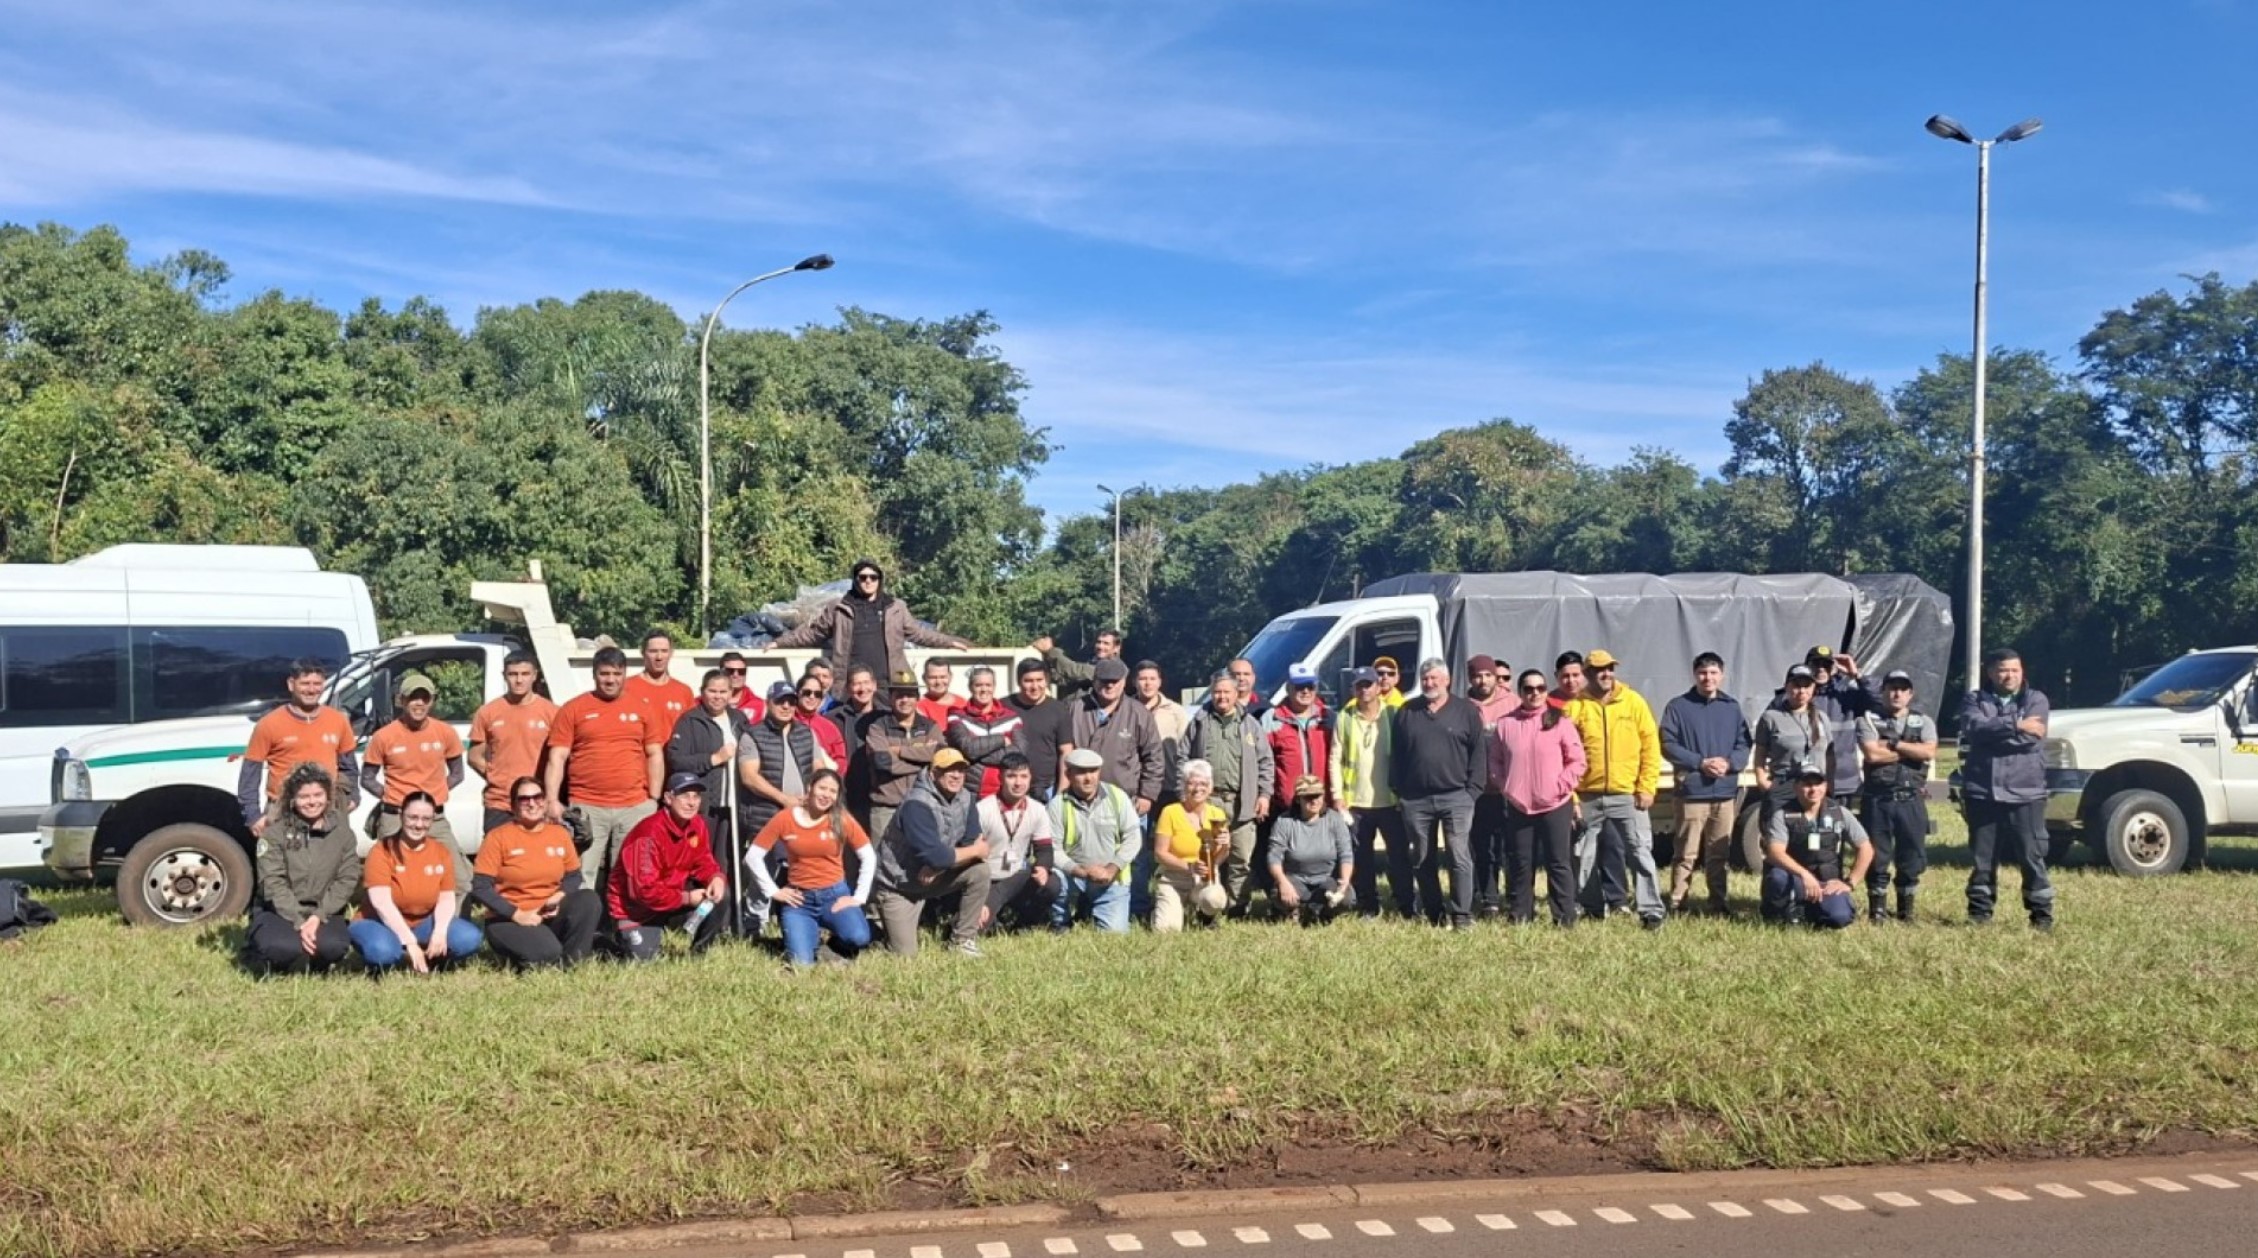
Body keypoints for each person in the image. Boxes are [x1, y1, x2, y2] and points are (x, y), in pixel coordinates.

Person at [545, 646, 665, 885]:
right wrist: (551, 800)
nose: (610, 680)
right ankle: (586, 922)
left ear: (625, 674)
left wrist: (654, 799)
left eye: (616, 674)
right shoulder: (573, 708)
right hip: (588, 806)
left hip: (634, 807)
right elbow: (557, 757)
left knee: (628, 873)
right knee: (582, 873)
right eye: (604, 673)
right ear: (594, 674)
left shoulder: (642, 707)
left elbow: (655, 754)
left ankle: (623, 922)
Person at [1565, 648, 1666, 930]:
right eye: (1599, 670)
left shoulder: (1633, 703)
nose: (1606, 674)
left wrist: (1647, 787)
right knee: (1583, 855)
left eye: (1609, 668)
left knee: (1639, 852)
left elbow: (1650, 746)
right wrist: (1572, 796)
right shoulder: (1575, 707)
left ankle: (1651, 911)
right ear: (1587, 674)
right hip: (1587, 795)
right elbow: (1564, 755)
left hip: (1628, 794)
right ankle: (1592, 906)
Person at [1959, 647, 2055, 930]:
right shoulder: (1974, 699)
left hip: (2026, 793)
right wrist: (2016, 724)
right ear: (1990, 673)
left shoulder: (2036, 699)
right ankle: (1979, 915)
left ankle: (2041, 917)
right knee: (1983, 860)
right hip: (1983, 792)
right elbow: (1974, 729)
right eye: (2003, 670)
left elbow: (2031, 739)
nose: (2009, 675)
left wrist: (1995, 733)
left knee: (2031, 856)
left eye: (2015, 669)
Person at [773, 559, 971, 693]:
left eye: (873, 577)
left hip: (889, 684)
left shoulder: (895, 607)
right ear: (855, 580)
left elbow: (919, 634)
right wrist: (779, 643)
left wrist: (950, 642)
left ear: (880, 580)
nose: (868, 581)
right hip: (852, 686)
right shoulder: (839, 607)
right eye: (862, 577)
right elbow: (813, 634)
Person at [1391, 657, 1488, 929]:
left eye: (1434, 678)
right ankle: (1434, 914)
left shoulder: (1466, 711)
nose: (1429, 683)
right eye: (1425, 678)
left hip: (1457, 796)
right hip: (1416, 800)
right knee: (1422, 858)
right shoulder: (1407, 712)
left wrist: (1472, 792)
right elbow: (1396, 755)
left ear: (1446, 680)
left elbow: (1478, 754)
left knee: (1459, 856)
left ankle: (1461, 916)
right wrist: (1400, 792)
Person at [744, 766, 875, 966]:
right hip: (799, 900)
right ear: (809, 788)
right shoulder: (786, 818)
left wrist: (858, 897)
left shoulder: (841, 819)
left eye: (833, 791)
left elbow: (868, 856)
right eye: (822, 788)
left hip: (834, 895)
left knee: (858, 937)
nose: (827, 795)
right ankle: (804, 939)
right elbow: (753, 856)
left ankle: (830, 946)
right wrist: (773, 891)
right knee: (801, 965)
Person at [471, 775, 603, 969]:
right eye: (524, 799)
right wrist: (516, 914)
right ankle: (538, 953)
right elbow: (480, 887)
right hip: (509, 919)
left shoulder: (559, 834)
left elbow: (574, 876)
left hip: (548, 913)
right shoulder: (498, 837)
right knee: (546, 954)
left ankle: (572, 963)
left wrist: (560, 895)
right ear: (513, 805)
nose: (532, 804)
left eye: (537, 797)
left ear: (544, 801)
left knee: (588, 899)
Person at [871, 748, 993, 957]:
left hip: (932, 876)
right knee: (905, 957)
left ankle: (962, 941)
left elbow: (970, 841)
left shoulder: (966, 798)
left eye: (961, 770)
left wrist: (940, 866)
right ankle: (876, 935)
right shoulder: (916, 804)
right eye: (948, 770)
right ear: (932, 773)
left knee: (980, 871)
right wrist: (971, 851)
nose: (956, 775)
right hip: (898, 886)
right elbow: (948, 853)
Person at [664, 669, 759, 935]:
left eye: (723, 692)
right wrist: (713, 759)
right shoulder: (690, 721)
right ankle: (691, 922)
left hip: (733, 807)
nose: (717, 697)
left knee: (726, 864)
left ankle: (724, 921)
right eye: (712, 691)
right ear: (703, 692)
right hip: (705, 808)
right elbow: (677, 760)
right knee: (698, 866)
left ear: (731, 694)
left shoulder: (739, 721)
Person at [1658, 652, 1753, 916]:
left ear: (1721, 675)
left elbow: (1744, 743)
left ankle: (1718, 904)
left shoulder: (1731, 708)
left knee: (1719, 854)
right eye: (1702, 672)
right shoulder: (1678, 707)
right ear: (1694, 675)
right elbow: (1668, 744)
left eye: (1713, 672)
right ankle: (1678, 903)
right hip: (1692, 792)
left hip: (1724, 792)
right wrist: (1700, 762)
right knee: (1685, 853)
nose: (1707, 677)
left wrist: (1730, 763)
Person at [1491, 669, 1587, 927]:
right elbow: (1495, 762)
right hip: (1519, 805)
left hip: (1555, 804)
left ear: (1546, 691)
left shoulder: (1560, 722)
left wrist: (1560, 786)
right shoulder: (1505, 724)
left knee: (1559, 862)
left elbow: (1577, 761)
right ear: (1520, 692)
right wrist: (1507, 788)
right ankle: (1521, 915)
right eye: (1529, 689)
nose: (1535, 693)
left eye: (1540, 688)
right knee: (1521, 863)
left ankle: (1564, 917)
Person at [245, 763, 359, 974]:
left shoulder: (343, 834)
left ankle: (320, 965)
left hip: (322, 910)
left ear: (328, 797)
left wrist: (318, 917)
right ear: (292, 799)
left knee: (333, 946)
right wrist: (299, 921)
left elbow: (347, 879)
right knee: (281, 947)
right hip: (280, 910)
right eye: (304, 797)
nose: (312, 802)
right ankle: (274, 962)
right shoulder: (275, 834)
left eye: (318, 795)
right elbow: (272, 882)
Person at [359, 673, 467, 894]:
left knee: (461, 880)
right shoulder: (384, 736)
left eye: (424, 698)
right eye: (412, 698)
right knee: (392, 880)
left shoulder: (445, 732)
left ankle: (450, 926)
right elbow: (367, 778)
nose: (419, 703)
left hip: (434, 817)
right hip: (394, 816)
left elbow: (457, 772)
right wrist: (390, 797)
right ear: (401, 700)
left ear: (432, 701)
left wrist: (435, 795)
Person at [351, 791, 483, 972]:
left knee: (468, 938)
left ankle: (430, 956)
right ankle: (401, 955)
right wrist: (409, 941)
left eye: (426, 819)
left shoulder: (441, 851)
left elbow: (446, 897)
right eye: (413, 817)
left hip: (423, 922)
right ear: (401, 816)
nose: (419, 824)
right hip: (378, 921)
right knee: (382, 952)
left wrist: (440, 932)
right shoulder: (381, 851)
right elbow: (381, 902)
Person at [741, 678, 833, 932]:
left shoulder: (806, 733)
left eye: (791, 701)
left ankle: (801, 921)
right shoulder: (753, 735)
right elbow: (749, 776)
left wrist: (816, 796)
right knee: (763, 871)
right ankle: (755, 925)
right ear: (768, 703)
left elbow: (819, 768)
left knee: (804, 868)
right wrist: (784, 800)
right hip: (766, 815)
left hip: (803, 815)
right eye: (780, 701)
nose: (786, 706)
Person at [607, 772, 730, 960]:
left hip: (673, 896)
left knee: (721, 895)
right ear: (668, 798)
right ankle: (607, 939)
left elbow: (703, 861)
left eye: (696, 796)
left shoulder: (697, 824)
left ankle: (698, 955)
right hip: (637, 909)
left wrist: (716, 877)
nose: (691, 802)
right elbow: (644, 891)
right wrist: (688, 898)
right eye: (684, 796)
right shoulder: (648, 834)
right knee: (643, 961)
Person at [1184, 672, 1273, 914]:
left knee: (1240, 859)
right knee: (1208, 857)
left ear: (1236, 694)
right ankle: (1207, 908)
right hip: (1208, 802)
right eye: (1217, 692)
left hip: (1242, 803)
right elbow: (1182, 757)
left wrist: (1264, 795)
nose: (1221, 697)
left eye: (1226, 692)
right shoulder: (1200, 722)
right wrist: (1186, 794)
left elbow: (1266, 762)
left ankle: (1237, 907)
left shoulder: (1250, 724)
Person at [240, 657, 358, 838]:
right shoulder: (269, 724)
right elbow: (250, 773)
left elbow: (349, 766)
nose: (311, 690)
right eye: (305, 683)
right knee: (282, 865)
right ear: (291, 684)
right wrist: (253, 815)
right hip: (283, 810)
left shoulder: (338, 720)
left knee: (330, 864)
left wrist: (353, 797)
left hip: (327, 809)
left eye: (317, 684)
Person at [1858, 669, 1938, 924]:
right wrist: (1910, 750)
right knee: (1877, 856)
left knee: (1911, 856)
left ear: (1910, 694)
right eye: (1891, 687)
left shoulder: (1923, 721)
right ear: (1882, 691)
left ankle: (1906, 911)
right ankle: (1877, 911)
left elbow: (1928, 753)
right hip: (1878, 799)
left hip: (1910, 798)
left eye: (1903, 688)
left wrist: (1893, 745)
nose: (1897, 693)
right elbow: (1872, 755)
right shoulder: (1868, 720)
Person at [1761, 768, 1873, 929]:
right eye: (1807, 784)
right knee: (1778, 878)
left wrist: (1850, 882)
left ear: (1826, 786)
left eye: (1818, 784)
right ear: (1796, 787)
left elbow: (1866, 848)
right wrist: (1805, 875)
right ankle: (1781, 913)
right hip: (1797, 880)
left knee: (1840, 917)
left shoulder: (1840, 813)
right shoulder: (1782, 815)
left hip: (1827, 882)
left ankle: (1811, 912)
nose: (1813, 789)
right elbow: (1775, 853)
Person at [1330, 665, 1401, 918]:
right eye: (1359, 685)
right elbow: (1335, 759)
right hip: (1356, 802)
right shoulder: (1345, 717)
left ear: (1378, 687)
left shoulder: (1394, 713)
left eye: (1368, 684)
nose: (1364, 689)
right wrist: (1337, 795)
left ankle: (1405, 904)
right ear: (1353, 688)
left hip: (1391, 800)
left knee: (1399, 856)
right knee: (1362, 858)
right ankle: (1368, 906)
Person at [1049, 748, 1142, 933]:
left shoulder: (1118, 797)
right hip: (1073, 876)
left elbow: (1133, 837)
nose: (1088, 778)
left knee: (1114, 935)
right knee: (1052, 881)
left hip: (1110, 878)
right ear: (1068, 774)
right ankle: (1061, 922)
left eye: (1093, 771)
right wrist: (1079, 871)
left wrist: (1112, 868)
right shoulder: (1057, 805)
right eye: (1081, 772)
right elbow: (1053, 849)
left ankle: (1087, 909)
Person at [469, 650, 558, 834]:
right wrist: (497, 777)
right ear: (504, 676)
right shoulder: (488, 712)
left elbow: (559, 759)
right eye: (513, 674)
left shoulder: (552, 713)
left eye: (525, 674)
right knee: (497, 859)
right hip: (500, 802)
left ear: (535, 675)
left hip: (537, 802)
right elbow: (474, 757)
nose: (519, 680)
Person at [1130, 658, 1192, 920]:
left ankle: (1176, 899)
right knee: (1139, 849)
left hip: (1169, 789)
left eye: (1152, 678)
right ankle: (1139, 903)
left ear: (1160, 681)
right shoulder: (1127, 709)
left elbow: (1186, 753)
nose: (1147, 683)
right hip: (1137, 789)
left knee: (1171, 847)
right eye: (1143, 678)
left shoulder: (1176, 712)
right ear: (1135, 682)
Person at [1069, 657, 1163, 815]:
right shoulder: (1075, 710)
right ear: (1095, 681)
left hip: (1126, 804)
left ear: (1124, 681)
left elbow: (1154, 757)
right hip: (1079, 802)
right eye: (1104, 681)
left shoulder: (1139, 713)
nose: (1110, 685)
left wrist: (1147, 795)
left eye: (1115, 681)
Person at [974, 752, 1056, 932]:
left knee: (1052, 884)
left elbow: (1044, 848)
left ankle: (1025, 925)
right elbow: (972, 855)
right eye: (1011, 776)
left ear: (1030, 778)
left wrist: (1043, 867)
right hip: (988, 878)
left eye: (1023, 776)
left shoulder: (1038, 809)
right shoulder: (983, 809)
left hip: (1017, 875)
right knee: (976, 928)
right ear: (1000, 778)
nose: (1018, 783)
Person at [1151, 758, 1232, 932]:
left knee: (1215, 898)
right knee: (1167, 930)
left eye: (1203, 783)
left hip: (1206, 879)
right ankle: (1167, 907)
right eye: (1192, 783)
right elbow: (1159, 853)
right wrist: (1190, 867)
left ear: (1210, 787)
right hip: (1174, 878)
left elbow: (1219, 858)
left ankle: (1206, 916)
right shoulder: (1170, 812)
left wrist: (1225, 846)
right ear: (1183, 786)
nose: (1197, 789)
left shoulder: (1217, 814)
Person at [866, 670, 946, 846]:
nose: (905, 700)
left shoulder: (929, 726)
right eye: (899, 695)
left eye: (910, 695)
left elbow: (941, 755)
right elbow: (882, 762)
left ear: (917, 698)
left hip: (924, 807)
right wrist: (924, 762)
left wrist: (900, 751)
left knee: (921, 863)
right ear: (891, 698)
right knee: (881, 865)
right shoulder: (878, 727)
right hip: (886, 808)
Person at [1464, 654, 1516, 917]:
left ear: (1495, 677)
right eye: (1477, 676)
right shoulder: (1463, 707)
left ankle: (1516, 898)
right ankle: (1489, 898)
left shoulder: (1513, 703)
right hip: (1478, 790)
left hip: (1509, 789)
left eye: (1487, 675)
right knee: (1482, 847)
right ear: (1470, 678)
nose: (1482, 680)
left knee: (1512, 848)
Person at [1266, 775, 1355, 925]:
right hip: (1296, 878)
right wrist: (1282, 882)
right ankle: (1293, 910)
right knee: (1278, 894)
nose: (1314, 801)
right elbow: (1273, 857)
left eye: (1317, 796)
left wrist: (1344, 882)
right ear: (1298, 799)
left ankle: (1320, 912)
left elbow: (1346, 853)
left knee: (1347, 898)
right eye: (1308, 797)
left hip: (1327, 879)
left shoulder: (1335, 820)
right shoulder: (1284, 822)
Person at [1804, 645, 1882, 812]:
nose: (1821, 669)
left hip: (1843, 782)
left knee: (1842, 830)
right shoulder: (1798, 694)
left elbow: (1880, 701)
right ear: (1807, 666)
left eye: (1826, 664)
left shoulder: (1847, 694)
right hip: (1807, 782)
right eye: (1816, 664)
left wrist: (1856, 675)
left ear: (1834, 667)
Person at [1753, 664, 1831, 824]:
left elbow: (1829, 753)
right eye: (1796, 685)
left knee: (1812, 838)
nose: (1801, 691)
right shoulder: (1771, 717)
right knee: (1777, 837)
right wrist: (1762, 780)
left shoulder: (1822, 717)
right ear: (1786, 686)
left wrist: (1830, 783)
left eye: (1806, 686)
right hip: (1784, 784)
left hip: (1814, 786)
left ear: (1814, 688)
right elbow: (1760, 751)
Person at [1005, 658, 1075, 800]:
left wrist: (1062, 792)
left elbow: (1066, 752)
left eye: (1039, 680)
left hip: (1046, 790)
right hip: (1010, 787)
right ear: (1019, 682)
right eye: (1028, 681)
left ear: (1047, 681)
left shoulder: (1059, 709)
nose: (1035, 686)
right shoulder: (1004, 707)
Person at [947, 666, 1023, 798]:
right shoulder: (957, 716)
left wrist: (976, 756)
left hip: (1004, 793)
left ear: (994, 687)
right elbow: (968, 748)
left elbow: (1020, 751)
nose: (983, 690)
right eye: (978, 685)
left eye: (988, 685)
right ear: (970, 687)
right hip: (969, 793)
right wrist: (1001, 740)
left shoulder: (1011, 717)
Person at [829, 664, 884, 822]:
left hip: (877, 791)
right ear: (848, 688)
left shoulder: (886, 717)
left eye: (866, 682)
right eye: (856, 683)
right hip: (846, 791)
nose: (862, 688)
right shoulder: (834, 719)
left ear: (874, 685)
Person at [624, 629, 695, 745]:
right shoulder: (627, 687)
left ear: (671, 653)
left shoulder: (684, 691)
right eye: (653, 651)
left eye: (664, 651)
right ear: (643, 653)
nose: (659, 657)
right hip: (639, 760)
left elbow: (692, 731)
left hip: (673, 760)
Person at [1032, 627, 1123, 698]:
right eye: (1098, 642)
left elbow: (1074, 671)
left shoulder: (1113, 667)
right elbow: (1065, 679)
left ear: (1116, 648)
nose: (1100, 646)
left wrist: (1051, 650)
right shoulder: (1090, 661)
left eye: (1106, 643)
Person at [793, 669, 849, 767]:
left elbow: (841, 759)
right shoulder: (786, 721)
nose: (812, 697)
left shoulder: (829, 726)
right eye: (807, 692)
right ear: (797, 693)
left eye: (817, 694)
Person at [916, 659, 963, 726]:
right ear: (924, 678)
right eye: (933, 677)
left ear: (950, 677)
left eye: (943, 677)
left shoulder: (962, 703)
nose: (938, 682)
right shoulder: (919, 707)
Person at [719, 650, 764, 719]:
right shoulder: (705, 702)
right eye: (730, 671)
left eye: (741, 671)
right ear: (721, 673)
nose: (736, 675)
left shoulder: (760, 705)